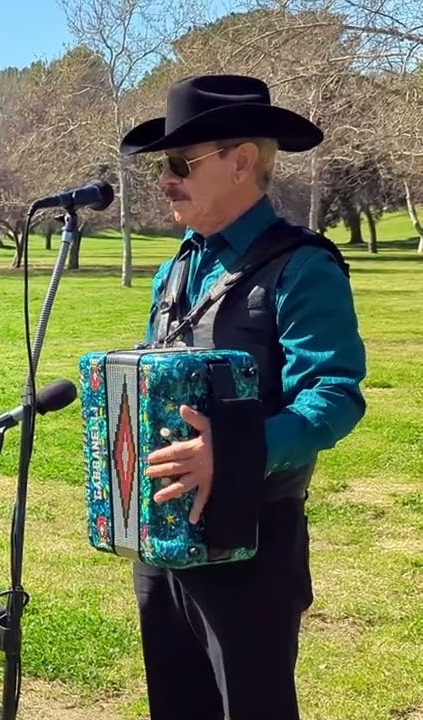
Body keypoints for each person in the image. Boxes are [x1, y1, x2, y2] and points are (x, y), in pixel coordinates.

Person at [119, 74, 367, 720]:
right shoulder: (174, 269)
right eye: (164, 166)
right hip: (163, 546)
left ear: (243, 162)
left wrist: (233, 454)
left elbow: (335, 396)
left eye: (182, 163)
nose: (166, 179)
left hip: (253, 545)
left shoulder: (303, 267)